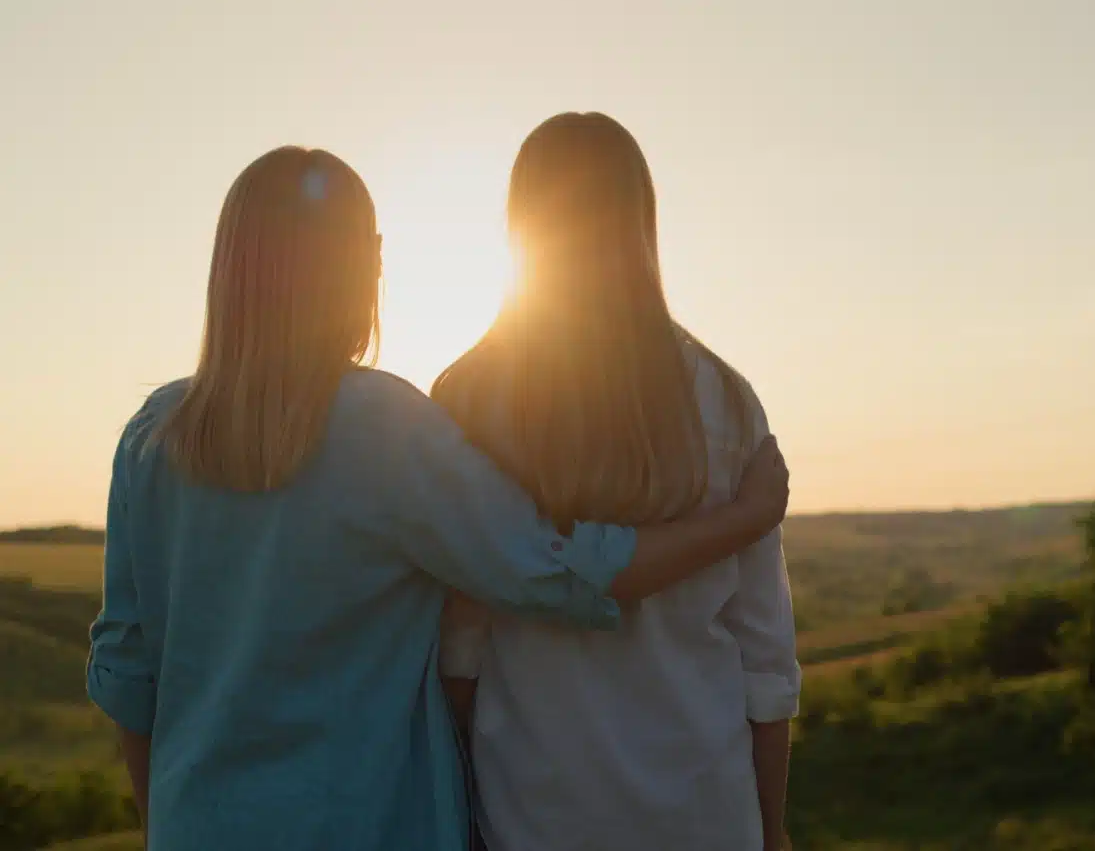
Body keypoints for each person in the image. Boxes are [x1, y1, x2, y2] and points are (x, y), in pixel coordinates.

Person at [85, 145, 791, 851]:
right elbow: (565, 575)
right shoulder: (382, 431)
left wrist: (167, 825)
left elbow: (127, 671)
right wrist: (744, 519)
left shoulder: (150, 439)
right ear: (365, 263)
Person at [433, 112, 801, 851]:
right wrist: (773, 827)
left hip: (535, 809)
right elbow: (763, 654)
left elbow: (459, 649)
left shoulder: (468, 401)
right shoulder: (726, 400)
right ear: (642, 219)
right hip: (704, 810)